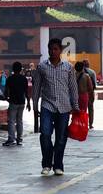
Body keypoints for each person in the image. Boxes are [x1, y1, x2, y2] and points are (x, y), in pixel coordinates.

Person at [32, 39, 80, 177]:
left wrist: (75, 106)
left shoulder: (68, 67)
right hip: (47, 105)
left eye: (55, 49)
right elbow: (37, 88)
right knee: (45, 135)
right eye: (50, 49)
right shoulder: (42, 67)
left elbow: (73, 88)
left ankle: (58, 165)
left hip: (64, 107)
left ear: (60, 50)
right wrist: (35, 106)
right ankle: (46, 164)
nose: (53, 52)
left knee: (60, 138)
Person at [4, 61, 30, 146]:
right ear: (20, 69)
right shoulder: (24, 79)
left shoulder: (10, 79)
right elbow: (26, 92)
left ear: (13, 69)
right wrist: (29, 103)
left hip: (13, 102)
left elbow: (6, 92)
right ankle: (19, 139)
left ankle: (11, 139)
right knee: (20, 121)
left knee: (11, 121)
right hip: (22, 102)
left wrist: (7, 98)